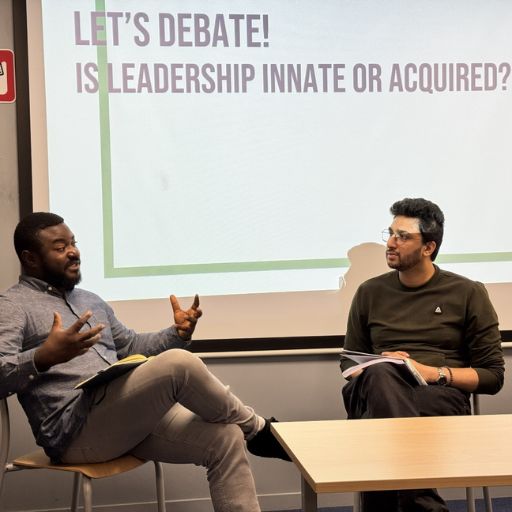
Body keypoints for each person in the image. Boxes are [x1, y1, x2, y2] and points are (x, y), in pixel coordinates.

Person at [0, 212, 290, 512]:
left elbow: (131, 347)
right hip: (74, 433)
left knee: (226, 436)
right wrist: (43, 357)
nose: (73, 252)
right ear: (30, 258)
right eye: (60, 247)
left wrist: (177, 333)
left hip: (122, 420)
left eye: (74, 243)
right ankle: (258, 430)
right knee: (179, 363)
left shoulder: (90, 300)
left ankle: (249, 431)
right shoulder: (13, 306)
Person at [340, 198, 505, 512]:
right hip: (371, 390)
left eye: (403, 236)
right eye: (390, 233)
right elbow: (349, 360)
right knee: (381, 374)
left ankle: (405, 502)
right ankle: (420, 501)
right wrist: (384, 365)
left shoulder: (467, 292)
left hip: (437, 396)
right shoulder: (369, 292)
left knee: (379, 427)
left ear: (428, 247)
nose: (390, 243)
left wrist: (430, 372)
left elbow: (492, 376)